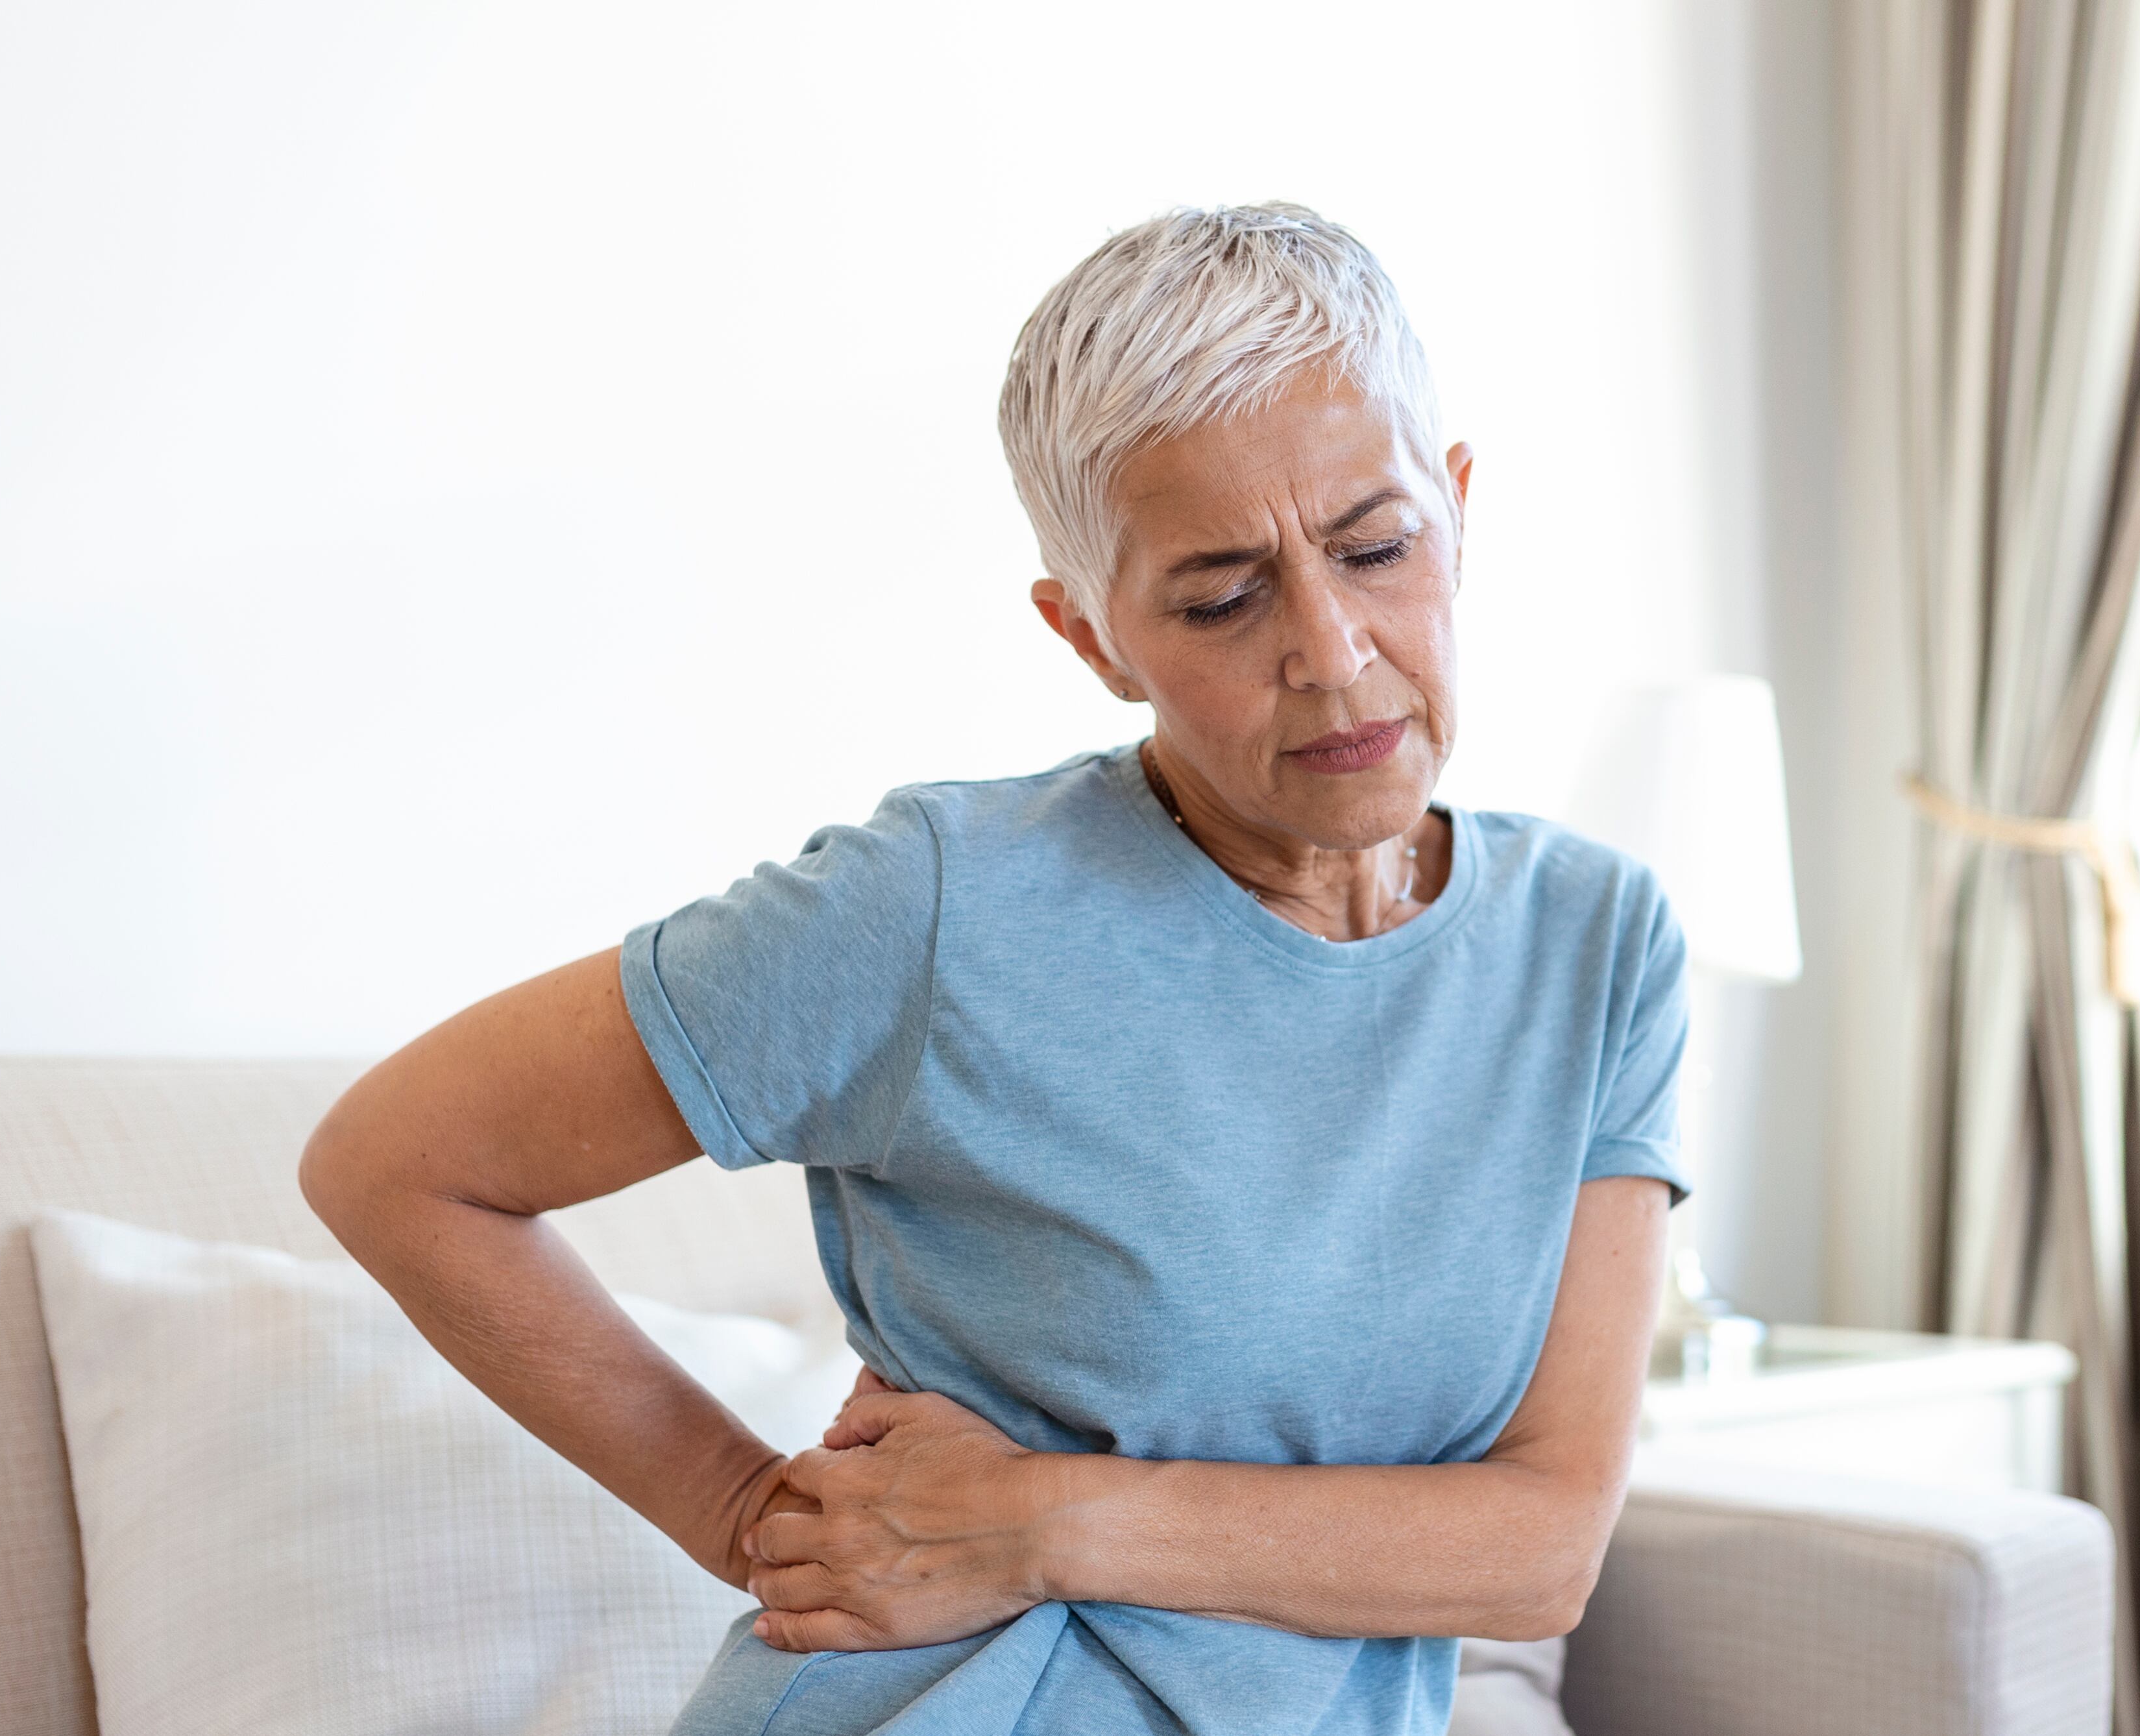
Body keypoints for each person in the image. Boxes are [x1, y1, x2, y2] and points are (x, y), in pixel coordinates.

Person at [300, 202, 1687, 1736]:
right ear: (1089, 635)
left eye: (1375, 546)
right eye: (1221, 596)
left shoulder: (1597, 947)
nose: (1333, 651)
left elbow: (1538, 1550)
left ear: (1460, 508)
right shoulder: (940, 905)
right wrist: (750, 1514)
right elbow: (396, 1164)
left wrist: (1035, 1523)